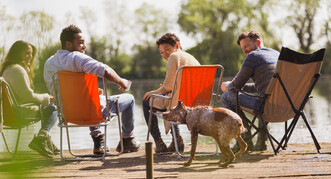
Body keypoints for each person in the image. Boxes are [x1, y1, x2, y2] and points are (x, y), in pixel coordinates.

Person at [43, 25, 139, 154]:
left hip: (67, 114)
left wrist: (91, 90)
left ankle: (99, 141)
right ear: (68, 44)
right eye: (80, 43)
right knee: (130, 99)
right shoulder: (76, 57)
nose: (84, 46)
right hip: (92, 113)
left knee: (93, 98)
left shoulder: (49, 63)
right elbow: (104, 70)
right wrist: (123, 82)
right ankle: (127, 140)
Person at [221, 30, 279, 151]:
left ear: (258, 42)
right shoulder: (276, 54)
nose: (245, 51)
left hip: (267, 108)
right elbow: (263, 87)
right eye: (242, 48)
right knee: (264, 97)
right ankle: (262, 141)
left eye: (246, 46)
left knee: (227, 96)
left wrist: (227, 86)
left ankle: (245, 137)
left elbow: (234, 86)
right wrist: (240, 87)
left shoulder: (253, 57)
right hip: (289, 106)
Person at [143, 33, 200, 153]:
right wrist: (167, 90)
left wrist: (155, 91)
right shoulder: (192, 58)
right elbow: (175, 85)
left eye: (167, 50)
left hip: (180, 104)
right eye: (162, 52)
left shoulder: (174, 57)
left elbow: (168, 86)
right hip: (196, 102)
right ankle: (176, 139)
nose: (165, 55)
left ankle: (159, 142)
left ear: (177, 45)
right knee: (169, 97)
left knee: (147, 100)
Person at [0, 40, 59, 157]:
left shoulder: (9, 69)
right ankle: (42, 137)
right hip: (18, 112)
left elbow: (24, 96)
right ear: (17, 53)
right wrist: (48, 97)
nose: (30, 57)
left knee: (47, 105)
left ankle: (46, 140)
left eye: (31, 54)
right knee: (52, 107)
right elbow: (27, 96)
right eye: (26, 53)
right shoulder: (17, 70)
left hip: (11, 112)